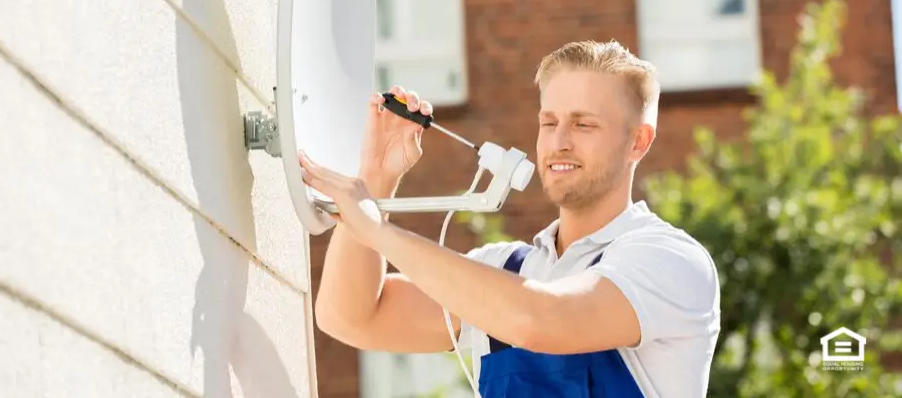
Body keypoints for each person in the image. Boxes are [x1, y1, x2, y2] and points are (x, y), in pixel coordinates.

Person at [299, 40, 721, 398]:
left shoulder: (669, 261)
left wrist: (378, 230)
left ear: (638, 141)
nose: (559, 142)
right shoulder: (506, 269)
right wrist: (377, 177)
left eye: (583, 124)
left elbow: (540, 321)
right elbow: (350, 317)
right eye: (549, 121)